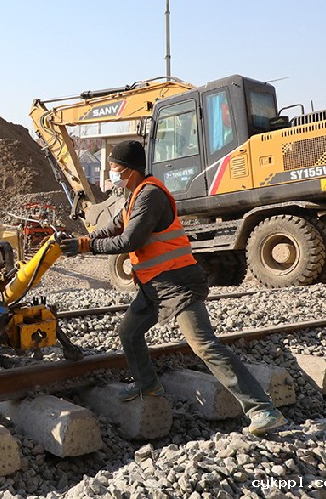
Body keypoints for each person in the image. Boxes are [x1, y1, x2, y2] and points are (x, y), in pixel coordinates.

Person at [61, 140, 288, 436]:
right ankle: (148, 385)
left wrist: (87, 247)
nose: (112, 171)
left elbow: (131, 240)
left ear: (128, 169)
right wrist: (82, 238)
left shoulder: (151, 196)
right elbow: (116, 226)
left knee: (203, 345)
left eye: (115, 166)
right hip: (155, 285)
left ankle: (263, 410)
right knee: (128, 332)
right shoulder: (134, 194)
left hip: (178, 283)